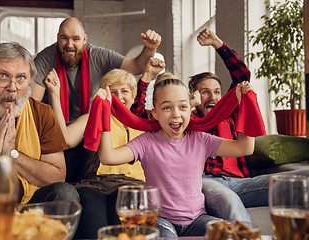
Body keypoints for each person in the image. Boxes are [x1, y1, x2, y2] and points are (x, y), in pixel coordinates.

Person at [94, 77, 261, 236]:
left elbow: (244, 147)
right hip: (160, 220)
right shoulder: (146, 142)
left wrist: (245, 103)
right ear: (155, 113)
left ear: (190, 109)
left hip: (198, 219)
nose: (175, 114)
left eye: (182, 107)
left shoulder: (201, 139)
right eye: (167, 107)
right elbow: (108, 157)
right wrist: (104, 111)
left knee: (231, 234)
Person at [190, 28, 309, 222]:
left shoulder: (230, 115)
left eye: (217, 91)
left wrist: (216, 43)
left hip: (243, 184)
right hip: (207, 182)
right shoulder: (188, 122)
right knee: (227, 199)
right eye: (205, 92)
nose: (213, 97)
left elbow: (242, 74)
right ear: (194, 96)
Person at [31, 17, 161, 182]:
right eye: (64, 38)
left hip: (91, 129)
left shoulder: (98, 56)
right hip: (60, 130)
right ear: (57, 38)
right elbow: (32, 106)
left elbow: (135, 66)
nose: (69, 44)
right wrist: (54, 95)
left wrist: (149, 49)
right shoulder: (44, 59)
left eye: (76, 39)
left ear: (85, 39)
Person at [0, 42, 80, 204]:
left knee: (65, 192)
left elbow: (57, 177)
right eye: (3, 76)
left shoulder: (43, 114)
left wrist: (12, 154)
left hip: (30, 208)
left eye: (21, 78)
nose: (12, 87)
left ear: (30, 82)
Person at [45, 68, 149, 239]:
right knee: (93, 219)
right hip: (94, 184)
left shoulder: (143, 125)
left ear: (133, 95)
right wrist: (54, 94)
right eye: (112, 92)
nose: (119, 96)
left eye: (124, 91)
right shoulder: (92, 118)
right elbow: (65, 139)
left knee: (123, 220)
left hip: (132, 185)